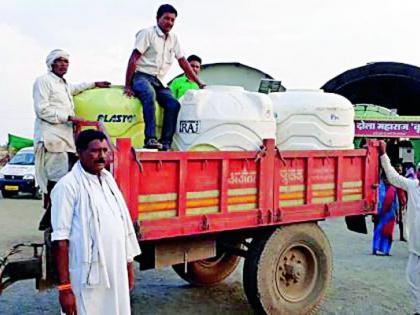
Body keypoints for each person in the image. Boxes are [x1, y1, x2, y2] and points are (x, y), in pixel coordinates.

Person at [51, 129, 141, 315]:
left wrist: (128, 267)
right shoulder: (67, 186)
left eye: (105, 150)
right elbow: (60, 240)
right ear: (79, 153)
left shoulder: (108, 180)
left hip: (115, 270)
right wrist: (65, 289)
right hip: (87, 276)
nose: (102, 156)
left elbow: (122, 226)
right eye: (95, 151)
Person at [33, 49, 110, 230]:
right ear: (51, 64)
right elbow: (41, 110)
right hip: (52, 138)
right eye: (59, 61)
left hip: (66, 139)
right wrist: (69, 118)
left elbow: (75, 88)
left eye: (66, 62)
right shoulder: (43, 81)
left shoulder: (64, 84)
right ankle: (54, 222)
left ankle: (57, 218)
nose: (63, 64)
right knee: (57, 180)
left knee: (69, 177)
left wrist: (94, 84)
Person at [123, 4, 205, 151]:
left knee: (174, 104)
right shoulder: (147, 33)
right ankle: (150, 138)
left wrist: (199, 83)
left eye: (173, 20)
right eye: (166, 18)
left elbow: (183, 62)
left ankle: (166, 142)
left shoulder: (174, 38)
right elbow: (133, 59)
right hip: (142, 76)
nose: (170, 22)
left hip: (159, 80)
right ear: (157, 18)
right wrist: (128, 85)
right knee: (149, 94)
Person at [379, 141, 420, 314]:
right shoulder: (413, 186)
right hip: (416, 246)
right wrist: (383, 155)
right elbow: (393, 177)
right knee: (411, 277)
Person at [372, 172, 399, 256]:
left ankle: (386, 250)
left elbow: (396, 203)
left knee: (388, 233)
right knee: (377, 231)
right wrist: (374, 213)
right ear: (383, 179)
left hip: (390, 215)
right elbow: (375, 201)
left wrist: (397, 215)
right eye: (386, 178)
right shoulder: (378, 188)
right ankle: (375, 249)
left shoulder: (393, 189)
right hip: (380, 214)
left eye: (388, 178)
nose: (387, 180)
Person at [395, 162, 408, 242]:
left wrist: (406, 201)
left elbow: (406, 191)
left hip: (402, 201)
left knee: (401, 220)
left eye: (400, 168)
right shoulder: (393, 179)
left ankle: (401, 235)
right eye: (397, 168)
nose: (399, 170)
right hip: (395, 200)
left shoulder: (404, 179)